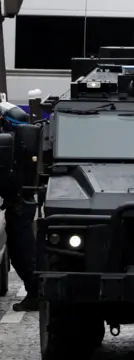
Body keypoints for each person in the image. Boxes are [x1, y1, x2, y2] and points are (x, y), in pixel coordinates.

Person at [0, 102, 38, 311]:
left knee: (22, 253)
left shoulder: (16, 141)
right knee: (21, 252)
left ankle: (35, 295)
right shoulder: (21, 139)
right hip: (22, 202)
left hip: (20, 204)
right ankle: (35, 293)